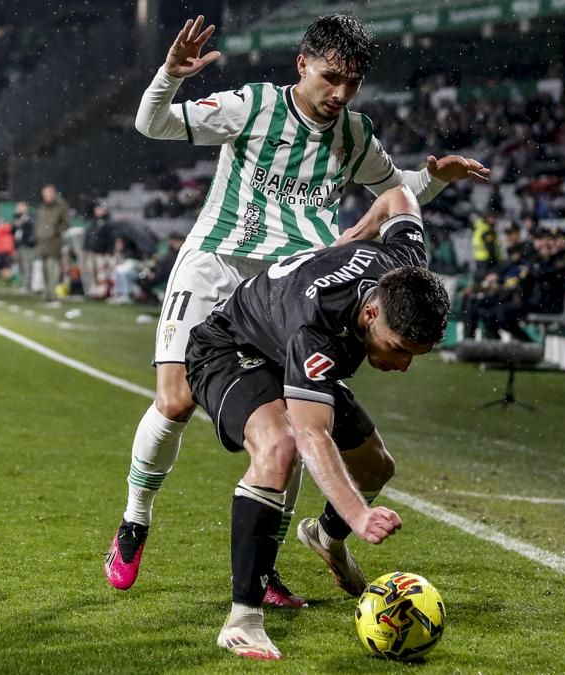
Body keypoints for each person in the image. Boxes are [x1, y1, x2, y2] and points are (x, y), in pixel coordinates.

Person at [104, 12, 488, 602]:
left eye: (353, 83)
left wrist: (436, 179)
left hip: (292, 289)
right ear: (302, 64)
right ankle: (134, 521)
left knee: (292, 423)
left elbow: (395, 188)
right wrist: (170, 75)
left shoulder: (353, 133)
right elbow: (151, 122)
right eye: (331, 77)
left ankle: (265, 569)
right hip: (219, 263)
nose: (340, 93)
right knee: (175, 400)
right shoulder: (253, 107)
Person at [185, 186, 448, 659]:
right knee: (280, 446)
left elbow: (398, 194)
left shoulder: (406, 267)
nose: (405, 365)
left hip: (283, 351)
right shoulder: (316, 323)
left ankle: (325, 536)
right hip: (231, 349)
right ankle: (243, 619)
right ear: (370, 313)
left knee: (375, 466)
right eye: (399, 349)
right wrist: (359, 515)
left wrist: (358, 233)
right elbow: (311, 433)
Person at [35, 184, 69, 306]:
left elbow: (66, 223)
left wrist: (55, 231)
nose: (46, 196)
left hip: (54, 242)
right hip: (42, 242)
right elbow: (39, 223)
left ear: (54, 194)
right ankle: (47, 295)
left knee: (52, 269)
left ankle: (54, 297)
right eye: (44, 194)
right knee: (44, 269)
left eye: (48, 194)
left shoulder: (61, 206)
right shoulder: (42, 207)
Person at [12, 201, 37, 294]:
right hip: (18, 244)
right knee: (20, 265)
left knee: (27, 266)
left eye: (22, 207)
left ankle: (27, 286)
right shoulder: (16, 217)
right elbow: (13, 229)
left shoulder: (30, 217)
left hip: (27, 245)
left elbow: (32, 230)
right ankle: (23, 284)